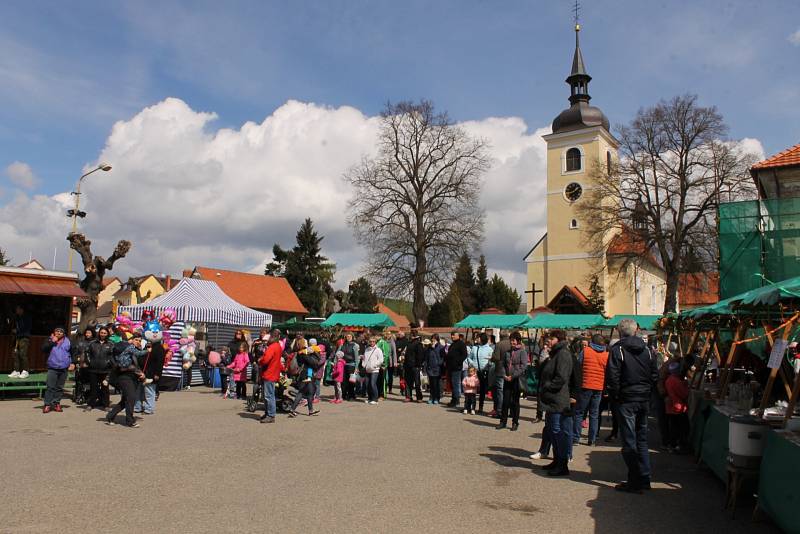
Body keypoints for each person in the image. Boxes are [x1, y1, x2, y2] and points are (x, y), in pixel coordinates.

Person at [607, 318, 658, 493]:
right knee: (641, 440)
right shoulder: (648, 350)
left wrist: (616, 396)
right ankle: (644, 479)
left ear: (620, 332)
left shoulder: (618, 350)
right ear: (635, 331)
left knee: (630, 442)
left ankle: (636, 480)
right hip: (642, 397)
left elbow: (613, 376)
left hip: (628, 398)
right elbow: (654, 374)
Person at [538, 330, 573, 477]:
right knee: (553, 431)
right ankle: (557, 460)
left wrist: (548, 386)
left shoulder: (563, 354)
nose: (549, 341)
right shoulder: (556, 353)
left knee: (558, 432)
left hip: (558, 399)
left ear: (558, 339)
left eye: (551, 338)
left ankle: (562, 463)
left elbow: (561, 377)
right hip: (552, 399)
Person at [574, 334, 608, 446]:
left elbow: (578, 365)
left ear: (592, 342)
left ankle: (576, 438)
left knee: (579, 412)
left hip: (585, 385)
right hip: (599, 387)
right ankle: (592, 440)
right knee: (594, 414)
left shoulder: (586, 351)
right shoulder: (606, 354)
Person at [106, 334, 147, 427]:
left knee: (125, 400)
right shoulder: (126, 348)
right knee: (131, 397)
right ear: (131, 340)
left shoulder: (135, 351)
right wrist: (147, 351)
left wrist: (141, 374)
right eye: (136, 340)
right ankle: (130, 421)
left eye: (140, 340)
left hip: (134, 378)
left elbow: (137, 365)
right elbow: (121, 366)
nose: (138, 342)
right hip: (124, 377)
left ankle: (110, 416)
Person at [496, 331, 528, 431]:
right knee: (505, 401)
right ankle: (503, 421)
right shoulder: (507, 352)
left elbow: (523, 367)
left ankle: (515, 422)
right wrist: (504, 375)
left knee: (515, 402)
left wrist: (513, 376)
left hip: (516, 380)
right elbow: (503, 365)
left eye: (513, 340)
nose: (512, 342)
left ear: (518, 341)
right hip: (507, 379)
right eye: (511, 340)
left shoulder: (522, 352)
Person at [41, 327, 73, 413]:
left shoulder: (68, 341)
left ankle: (56, 403)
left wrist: (72, 363)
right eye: (57, 331)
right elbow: (43, 349)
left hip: (64, 367)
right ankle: (47, 404)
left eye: (61, 331)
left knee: (59, 387)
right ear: (54, 332)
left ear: (64, 333)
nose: (58, 333)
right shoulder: (49, 339)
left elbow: (72, 352)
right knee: (50, 387)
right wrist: (52, 341)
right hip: (52, 367)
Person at [288, 342, 321, 418]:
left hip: (306, 375)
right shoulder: (305, 355)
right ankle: (293, 410)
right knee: (304, 393)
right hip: (306, 376)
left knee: (307, 393)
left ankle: (310, 410)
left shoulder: (302, 354)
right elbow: (313, 364)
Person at [258, 329, 283, 423]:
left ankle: (271, 415)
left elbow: (266, 360)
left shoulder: (272, 347)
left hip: (269, 373)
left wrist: (260, 360)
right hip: (273, 372)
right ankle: (268, 413)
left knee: (268, 395)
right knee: (268, 395)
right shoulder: (278, 346)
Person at [86, 326, 114, 409]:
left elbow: (113, 355)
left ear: (107, 334)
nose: (103, 334)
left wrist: (109, 363)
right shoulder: (93, 343)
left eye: (105, 333)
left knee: (105, 388)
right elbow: (87, 352)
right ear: (99, 333)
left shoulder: (111, 344)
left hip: (105, 370)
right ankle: (91, 404)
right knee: (93, 388)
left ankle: (105, 405)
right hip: (93, 369)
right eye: (101, 332)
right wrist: (89, 362)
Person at [664, 361, 689, 452]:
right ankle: (678, 446)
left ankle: (672, 445)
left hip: (671, 407)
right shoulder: (676, 381)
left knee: (673, 427)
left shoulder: (669, 379)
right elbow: (684, 394)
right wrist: (685, 385)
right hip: (678, 407)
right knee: (681, 428)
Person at [134, 340, 165, 415]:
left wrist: (157, 374)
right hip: (141, 372)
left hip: (151, 373)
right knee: (139, 391)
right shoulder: (145, 348)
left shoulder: (159, 348)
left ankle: (149, 409)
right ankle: (138, 407)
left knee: (149, 392)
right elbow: (141, 360)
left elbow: (160, 363)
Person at [467, 333, 494, 414]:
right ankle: (470, 407)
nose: (476, 339)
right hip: (474, 372)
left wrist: (489, 363)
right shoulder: (474, 348)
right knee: (471, 389)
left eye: (478, 338)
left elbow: (492, 361)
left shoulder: (489, 349)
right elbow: (469, 357)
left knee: (482, 391)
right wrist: (472, 364)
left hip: (484, 372)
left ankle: (480, 408)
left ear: (482, 339)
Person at [490, 333, 512, 417]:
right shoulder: (512, 343)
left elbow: (496, 357)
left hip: (500, 370)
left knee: (500, 391)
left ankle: (499, 411)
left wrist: (491, 358)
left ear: (500, 335)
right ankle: (510, 411)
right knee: (509, 391)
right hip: (510, 371)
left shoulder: (499, 344)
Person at [9, 305, 32, 379]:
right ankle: (16, 371)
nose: (16, 310)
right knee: (15, 354)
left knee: (23, 354)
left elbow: (26, 327)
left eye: (18, 309)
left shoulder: (26, 317)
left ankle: (26, 371)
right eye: (16, 309)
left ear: (22, 309)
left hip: (24, 337)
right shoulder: (17, 318)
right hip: (17, 337)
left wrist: (17, 330)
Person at [446, 332, 467, 408]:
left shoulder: (461, 344)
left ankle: (456, 400)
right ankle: (453, 399)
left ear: (458, 336)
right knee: (452, 384)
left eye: (453, 335)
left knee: (455, 384)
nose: (452, 336)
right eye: (451, 335)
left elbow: (464, 355)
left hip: (457, 367)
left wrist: (457, 361)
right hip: (450, 367)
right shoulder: (452, 344)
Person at [361, 337, 384, 405]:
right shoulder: (367, 349)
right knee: (367, 384)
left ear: (375, 342)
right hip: (367, 369)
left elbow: (381, 360)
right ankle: (370, 398)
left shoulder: (378, 350)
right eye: (370, 341)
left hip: (375, 370)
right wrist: (363, 364)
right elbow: (365, 358)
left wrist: (374, 365)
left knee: (372, 384)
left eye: (373, 341)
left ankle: (375, 399)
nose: (372, 343)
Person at [403, 330, 424, 403]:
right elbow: (406, 355)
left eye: (411, 335)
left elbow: (420, 356)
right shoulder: (409, 343)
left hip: (415, 366)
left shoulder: (418, 344)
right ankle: (408, 396)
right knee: (408, 382)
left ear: (413, 335)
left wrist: (418, 365)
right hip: (408, 366)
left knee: (417, 382)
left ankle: (419, 397)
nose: (409, 336)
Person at [341, 333, 360, 401]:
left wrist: (356, 367)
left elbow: (357, 357)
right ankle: (344, 395)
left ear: (352, 337)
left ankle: (351, 396)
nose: (348, 337)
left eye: (350, 336)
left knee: (351, 382)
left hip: (351, 365)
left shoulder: (355, 345)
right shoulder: (343, 344)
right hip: (343, 365)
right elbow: (339, 353)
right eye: (347, 336)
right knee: (343, 381)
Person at [376, 331, 396, 398]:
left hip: (382, 365)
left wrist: (384, 364)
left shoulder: (383, 343)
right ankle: (378, 394)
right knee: (378, 380)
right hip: (376, 365)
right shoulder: (377, 342)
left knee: (383, 380)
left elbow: (385, 355)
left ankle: (382, 394)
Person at [423, 338, 442, 404]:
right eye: (432, 340)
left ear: (437, 340)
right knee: (431, 384)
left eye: (434, 340)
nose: (432, 342)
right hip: (430, 368)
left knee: (436, 384)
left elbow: (441, 357)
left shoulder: (440, 347)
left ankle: (437, 397)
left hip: (437, 368)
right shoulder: (429, 348)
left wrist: (439, 363)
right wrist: (425, 368)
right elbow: (426, 359)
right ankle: (431, 397)